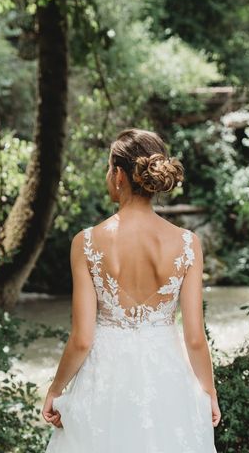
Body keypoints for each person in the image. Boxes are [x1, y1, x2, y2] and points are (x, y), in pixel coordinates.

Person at [42, 128, 220, 452]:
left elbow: (82, 339)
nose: (108, 176)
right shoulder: (187, 243)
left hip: (105, 382)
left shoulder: (86, 243)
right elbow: (195, 338)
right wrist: (208, 394)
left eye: (110, 168)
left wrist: (56, 389)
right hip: (168, 382)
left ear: (120, 175)